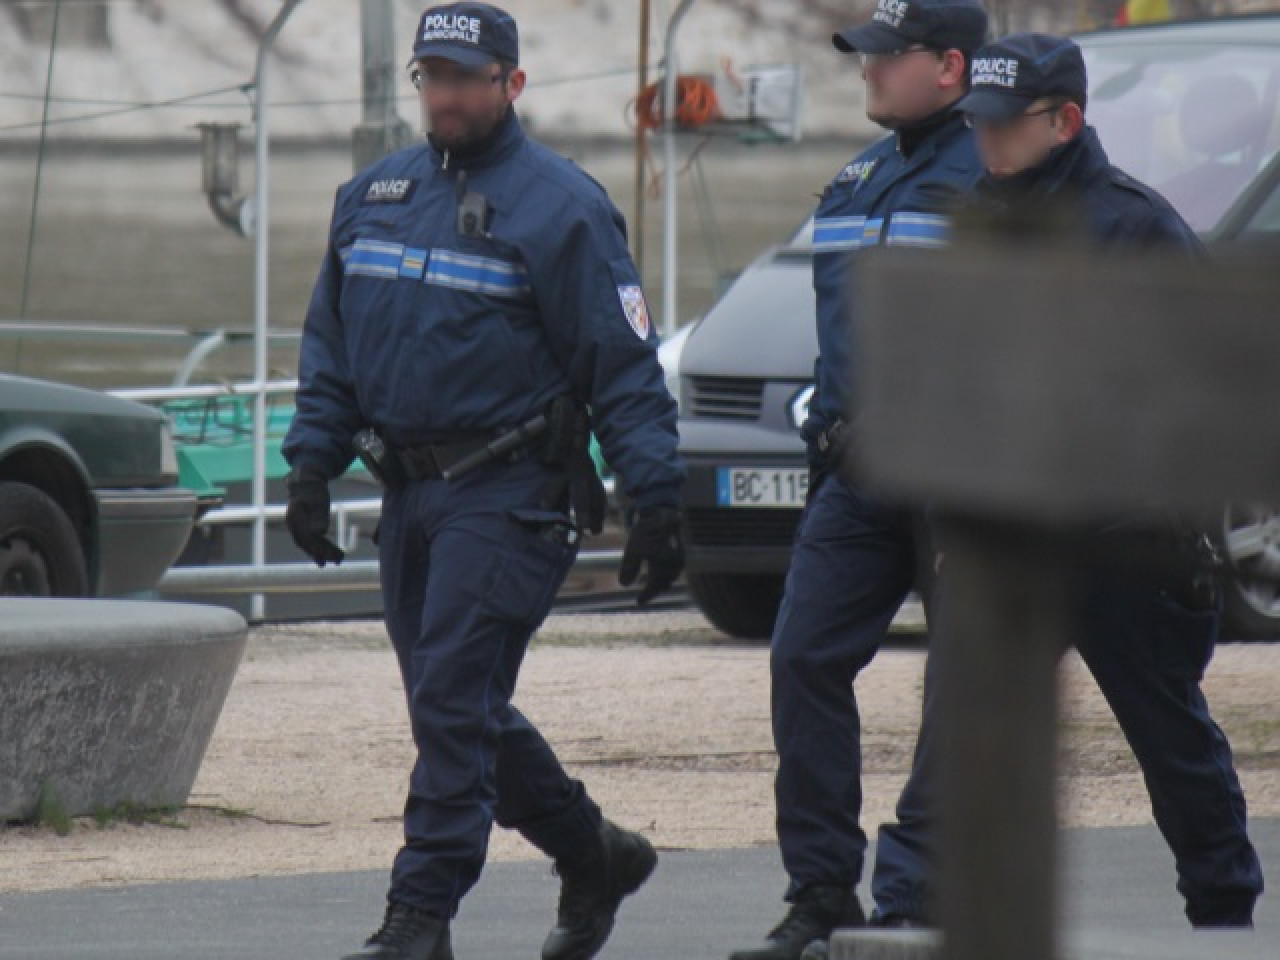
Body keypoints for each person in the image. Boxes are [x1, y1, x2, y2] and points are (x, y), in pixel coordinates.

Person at [282, 4, 686, 958]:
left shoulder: (565, 206)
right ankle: (595, 851)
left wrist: (656, 499)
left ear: (512, 83)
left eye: (467, 76)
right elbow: (331, 345)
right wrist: (309, 461)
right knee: (447, 705)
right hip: (410, 498)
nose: (448, 94)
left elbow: (623, 365)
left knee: (454, 701)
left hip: (512, 496)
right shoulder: (372, 194)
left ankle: (418, 920)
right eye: (433, 76)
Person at [872, 31, 1265, 930]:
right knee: (955, 746)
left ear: (1066, 121)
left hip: (1123, 538)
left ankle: (1225, 912)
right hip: (1006, 533)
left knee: (1171, 741)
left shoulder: (1136, 224)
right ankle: (899, 913)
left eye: (1006, 125)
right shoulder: (975, 214)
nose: (988, 141)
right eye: (978, 123)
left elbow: (1200, 385)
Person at [729, 3, 990, 959]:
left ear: (951, 67)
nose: (868, 71)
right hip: (857, 476)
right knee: (802, 657)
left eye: (888, 56)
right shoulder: (859, 177)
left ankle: (913, 895)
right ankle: (821, 892)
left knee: (961, 685)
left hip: (962, 476)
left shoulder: (999, 175)